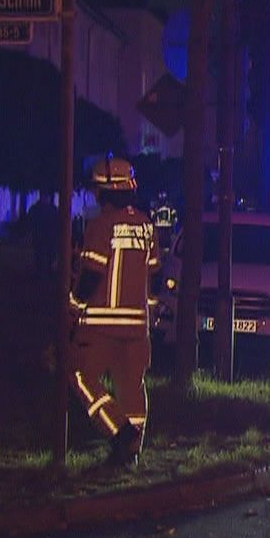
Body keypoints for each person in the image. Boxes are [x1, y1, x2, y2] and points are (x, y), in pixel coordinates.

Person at [68, 158, 160, 466]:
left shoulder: (101, 225)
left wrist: (72, 308)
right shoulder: (147, 226)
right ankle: (131, 453)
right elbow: (154, 276)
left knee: (80, 376)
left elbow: (91, 273)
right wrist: (152, 313)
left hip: (100, 324)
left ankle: (119, 433)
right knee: (132, 386)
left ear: (104, 191)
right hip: (137, 326)